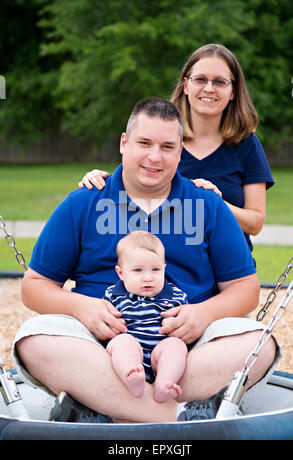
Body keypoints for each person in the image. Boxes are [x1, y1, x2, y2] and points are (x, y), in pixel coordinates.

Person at [13, 97, 279, 424]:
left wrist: (203, 313)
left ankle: (104, 408)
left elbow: (246, 289)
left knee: (260, 343)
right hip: (100, 351)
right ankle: (179, 414)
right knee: (34, 339)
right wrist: (82, 307)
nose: (155, 157)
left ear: (180, 153)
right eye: (144, 143)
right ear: (124, 144)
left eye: (168, 146)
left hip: (189, 352)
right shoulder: (85, 201)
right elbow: (35, 287)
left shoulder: (207, 205)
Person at [79, 44, 274, 253]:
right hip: (166, 263)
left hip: (226, 264)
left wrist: (214, 203)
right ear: (186, 85)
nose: (209, 88)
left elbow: (255, 223)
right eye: (200, 79)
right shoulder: (162, 135)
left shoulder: (246, 144)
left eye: (219, 81)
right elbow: (130, 190)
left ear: (232, 91)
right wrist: (98, 180)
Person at [104, 231, 188, 402]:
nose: (148, 278)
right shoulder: (113, 295)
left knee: (176, 345)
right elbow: (105, 322)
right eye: (138, 270)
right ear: (121, 273)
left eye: (156, 269)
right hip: (130, 350)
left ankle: (164, 383)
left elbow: (184, 321)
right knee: (122, 342)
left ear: (164, 268)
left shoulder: (176, 296)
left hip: (160, 353)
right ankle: (132, 375)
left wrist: (175, 323)